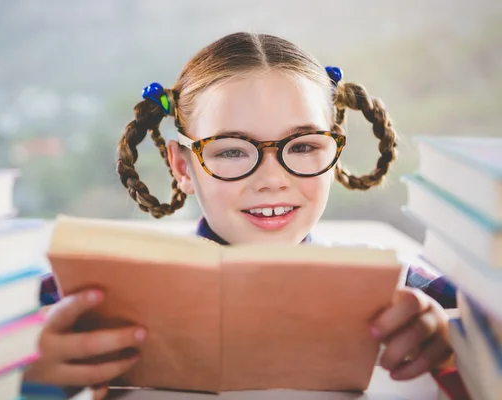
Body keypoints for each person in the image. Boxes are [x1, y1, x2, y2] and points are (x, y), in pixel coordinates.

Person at [24, 32, 457, 399]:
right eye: (232, 150)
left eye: (304, 146)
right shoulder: (69, 300)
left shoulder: (406, 294)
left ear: (333, 148)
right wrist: (29, 381)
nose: (272, 179)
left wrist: (458, 349)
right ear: (182, 166)